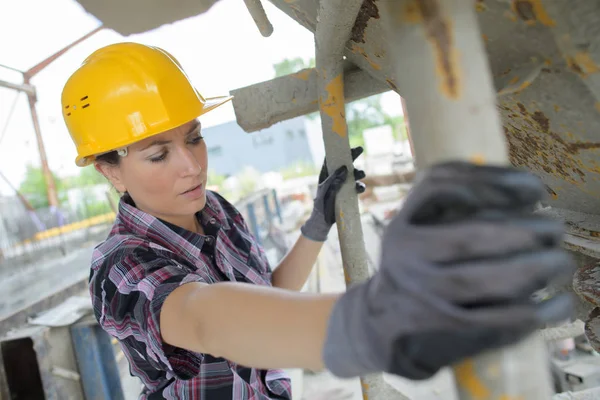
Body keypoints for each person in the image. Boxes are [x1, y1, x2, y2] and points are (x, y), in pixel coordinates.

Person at [61, 42, 573, 400]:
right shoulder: (121, 267)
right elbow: (206, 318)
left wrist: (316, 225)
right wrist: (375, 320)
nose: (192, 164)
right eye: (158, 155)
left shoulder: (214, 210)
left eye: (194, 137)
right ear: (110, 170)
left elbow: (267, 294)